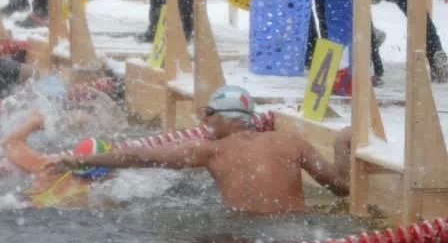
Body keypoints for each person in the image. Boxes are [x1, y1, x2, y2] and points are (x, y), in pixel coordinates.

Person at [48, 86, 352, 214]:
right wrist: (341, 145)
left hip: (246, 239)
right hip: (298, 236)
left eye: (209, 114)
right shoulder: (290, 141)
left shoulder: (211, 152)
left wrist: (77, 160)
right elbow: (341, 187)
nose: (204, 121)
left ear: (228, 119)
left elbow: (141, 157)